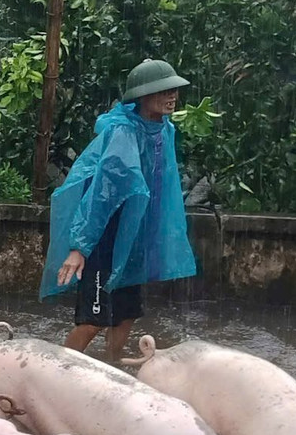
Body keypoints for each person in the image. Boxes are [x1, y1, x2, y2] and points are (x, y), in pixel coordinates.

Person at [41, 59, 199, 361]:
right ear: (142, 96)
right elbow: (101, 195)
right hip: (106, 238)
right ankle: (56, 371)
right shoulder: (123, 134)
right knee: (93, 319)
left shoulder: (164, 131)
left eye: (173, 91)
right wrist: (81, 247)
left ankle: (112, 367)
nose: (172, 97)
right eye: (163, 91)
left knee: (127, 314)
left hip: (134, 236)